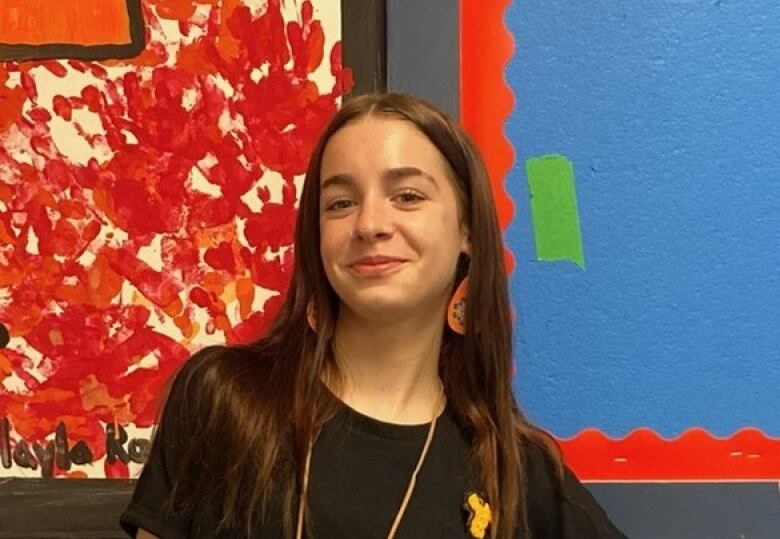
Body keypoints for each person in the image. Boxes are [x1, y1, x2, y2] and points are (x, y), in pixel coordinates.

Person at [119, 93, 627, 539]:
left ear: (467, 230)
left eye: (407, 196)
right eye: (340, 203)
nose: (370, 224)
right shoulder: (221, 400)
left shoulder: (515, 470)